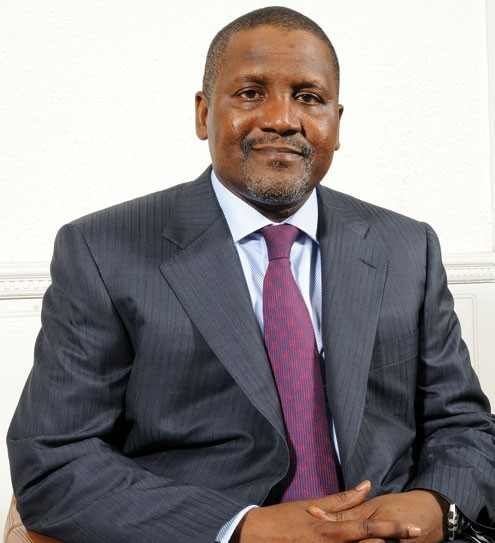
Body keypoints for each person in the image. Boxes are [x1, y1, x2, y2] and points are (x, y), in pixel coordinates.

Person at [6, 6, 495, 543]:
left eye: (308, 97)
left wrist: (436, 504)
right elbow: (54, 459)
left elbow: (463, 425)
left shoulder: (406, 247)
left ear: (336, 122)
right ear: (203, 114)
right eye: (250, 93)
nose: (283, 118)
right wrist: (243, 527)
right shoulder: (102, 250)